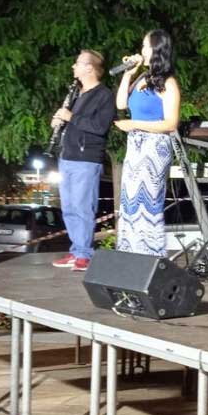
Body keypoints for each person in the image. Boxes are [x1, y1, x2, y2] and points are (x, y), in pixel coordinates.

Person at [114, 28, 181, 257]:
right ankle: (131, 254)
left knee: (147, 202)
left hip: (154, 148)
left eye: (145, 46)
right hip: (135, 147)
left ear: (157, 49)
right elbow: (121, 104)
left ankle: (150, 256)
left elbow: (171, 123)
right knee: (130, 202)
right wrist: (128, 74)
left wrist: (135, 124)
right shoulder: (142, 78)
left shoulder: (168, 83)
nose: (141, 50)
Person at [51, 50, 116, 273]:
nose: (73, 67)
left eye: (77, 63)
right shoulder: (77, 94)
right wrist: (59, 122)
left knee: (83, 207)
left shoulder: (104, 95)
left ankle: (85, 254)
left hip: (86, 158)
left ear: (89, 68)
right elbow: (74, 123)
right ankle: (77, 250)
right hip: (67, 156)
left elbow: (100, 127)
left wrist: (71, 117)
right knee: (69, 208)